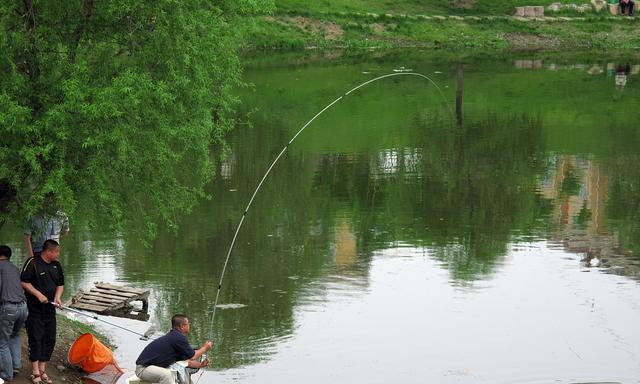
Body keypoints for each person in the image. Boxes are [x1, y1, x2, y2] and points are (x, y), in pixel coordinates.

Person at [20, 240, 64, 384]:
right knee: (36, 338)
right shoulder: (33, 262)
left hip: (50, 310)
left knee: (50, 338)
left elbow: (60, 284)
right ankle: (35, 372)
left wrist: (57, 297)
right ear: (48, 251)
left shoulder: (56, 265)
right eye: (56, 252)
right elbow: (24, 282)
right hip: (35, 310)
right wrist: (38, 294)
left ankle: (43, 369)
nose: (58, 254)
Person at [135, 314, 212, 384]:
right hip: (143, 369)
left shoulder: (176, 337)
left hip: (153, 368)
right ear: (182, 326)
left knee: (180, 369)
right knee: (167, 375)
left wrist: (200, 365)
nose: (189, 325)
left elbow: (186, 362)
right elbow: (193, 356)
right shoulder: (178, 337)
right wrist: (205, 348)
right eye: (188, 324)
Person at [0, 245, 28, 382]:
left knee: (2, 343)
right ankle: (16, 365)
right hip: (23, 308)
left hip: (9, 308)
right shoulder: (15, 268)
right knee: (15, 335)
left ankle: (6, 374)